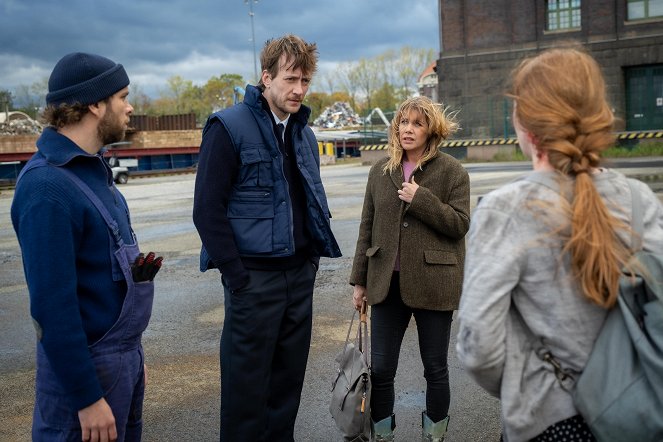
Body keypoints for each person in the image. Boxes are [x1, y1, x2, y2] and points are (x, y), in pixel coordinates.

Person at [456, 47, 663, 441]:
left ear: (526, 126)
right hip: (637, 414)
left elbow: (479, 346)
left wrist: (527, 383)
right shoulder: (639, 199)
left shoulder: (506, 209)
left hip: (547, 422)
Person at [192, 34, 341, 441]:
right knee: (245, 396)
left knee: (286, 391)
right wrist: (237, 276)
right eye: (291, 79)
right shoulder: (228, 127)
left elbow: (311, 203)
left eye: (305, 81)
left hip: (298, 279)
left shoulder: (304, 134)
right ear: (266, 77)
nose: (298, 90)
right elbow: (207, 210)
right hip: (253, 281)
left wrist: (309, 262)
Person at [11, 52, 160, 441]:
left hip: (120, 367)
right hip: (83, 384)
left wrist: (132, 357)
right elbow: (51, 307)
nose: (130, 107)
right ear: (94, 104)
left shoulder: (95, 171)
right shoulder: (47, 188)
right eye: (122, 96)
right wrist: (86, 397)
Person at [349, 96, 470, 441]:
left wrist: (422, 200)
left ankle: (434, 436)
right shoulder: (380, 171)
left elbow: (460, 224)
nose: (408, 129)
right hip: (386, 283)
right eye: (403, 122)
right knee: (382, 369)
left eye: (417, 123)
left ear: (432, 129)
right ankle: (383, 436)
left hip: (435, 283)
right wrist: (359, 281)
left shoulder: (453, 172)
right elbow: (366, 228)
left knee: (435, 368)